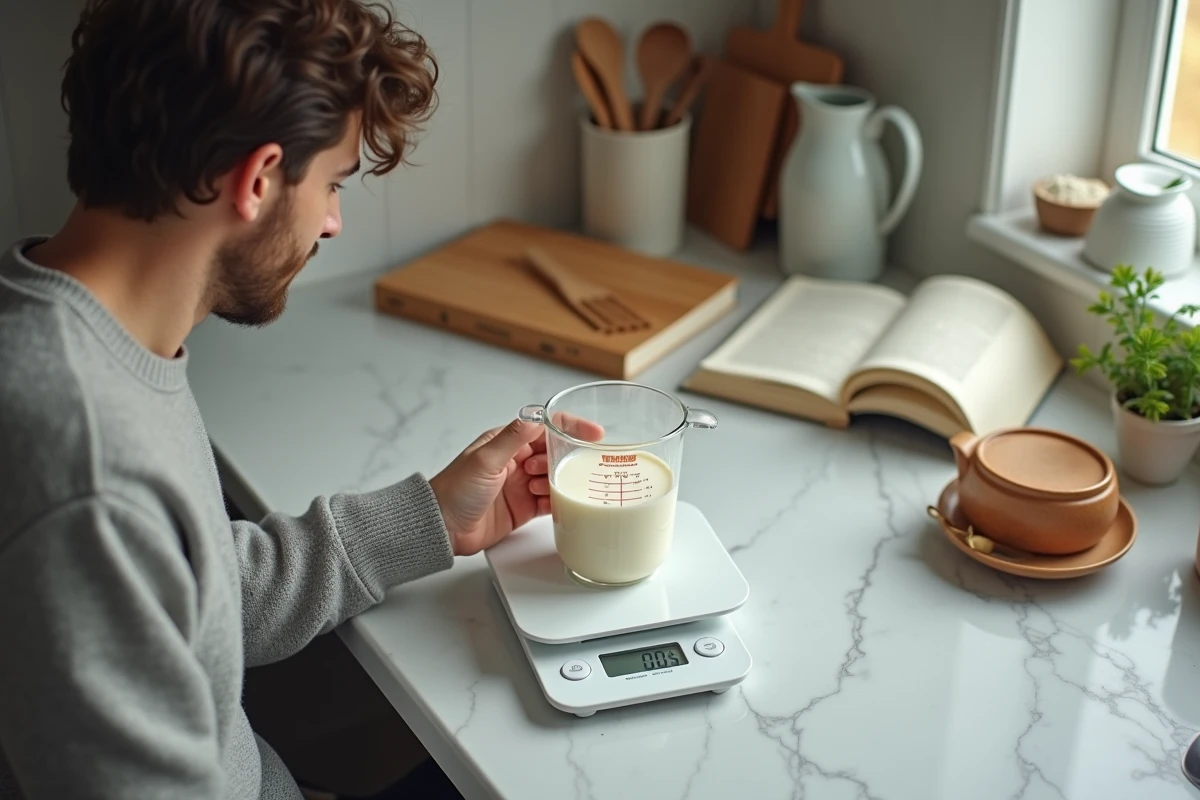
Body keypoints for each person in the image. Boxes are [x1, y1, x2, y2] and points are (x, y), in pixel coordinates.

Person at [0, 1, 600, 798]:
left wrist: (431, 518)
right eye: (331, 185)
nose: (333, 224)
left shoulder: (80, 329)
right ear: (256, 180)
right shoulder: (84, 466)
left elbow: (187, 594)